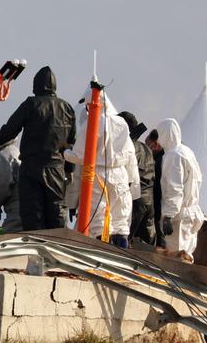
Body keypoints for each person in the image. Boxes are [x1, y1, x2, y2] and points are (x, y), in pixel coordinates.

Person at [0, 66, 76, 231]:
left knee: (32, 216)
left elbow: (10, 130)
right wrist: (69, 171)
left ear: (36, 85)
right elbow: (71, 145)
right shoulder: (67, 108)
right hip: (56, 170)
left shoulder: (30, 104)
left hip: (31, 169)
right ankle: (55, 252)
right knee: (56, 216)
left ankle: (35, 254)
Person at [63, 89, 139, 248]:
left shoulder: (93, 123)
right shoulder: (121, 123)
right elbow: (130, 154)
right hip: (120, 176)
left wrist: (65, 152)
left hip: (98, 176)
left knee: (98, 222)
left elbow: (80, 155)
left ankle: (102, 258)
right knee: (120, 223)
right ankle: (122, 258)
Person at [155, 118, 205, 261]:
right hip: (192, 212)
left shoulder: (173, 156)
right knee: (186, 257)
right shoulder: (186, 151)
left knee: (176, 260)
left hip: (179, 216)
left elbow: (174, 188)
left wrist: (168, 216)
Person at [118, 111, 156, 245]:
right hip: (149, 201)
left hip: (134, 200)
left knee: (124, 244)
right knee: (147, 248)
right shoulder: (146, 148)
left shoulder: (125, 147)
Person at [146, 129, 167, 249]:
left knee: (162, 243)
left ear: (156, 144)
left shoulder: (162, 160)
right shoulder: (162, 158)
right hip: (161, 205)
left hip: (161, 206)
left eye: (149, 145)